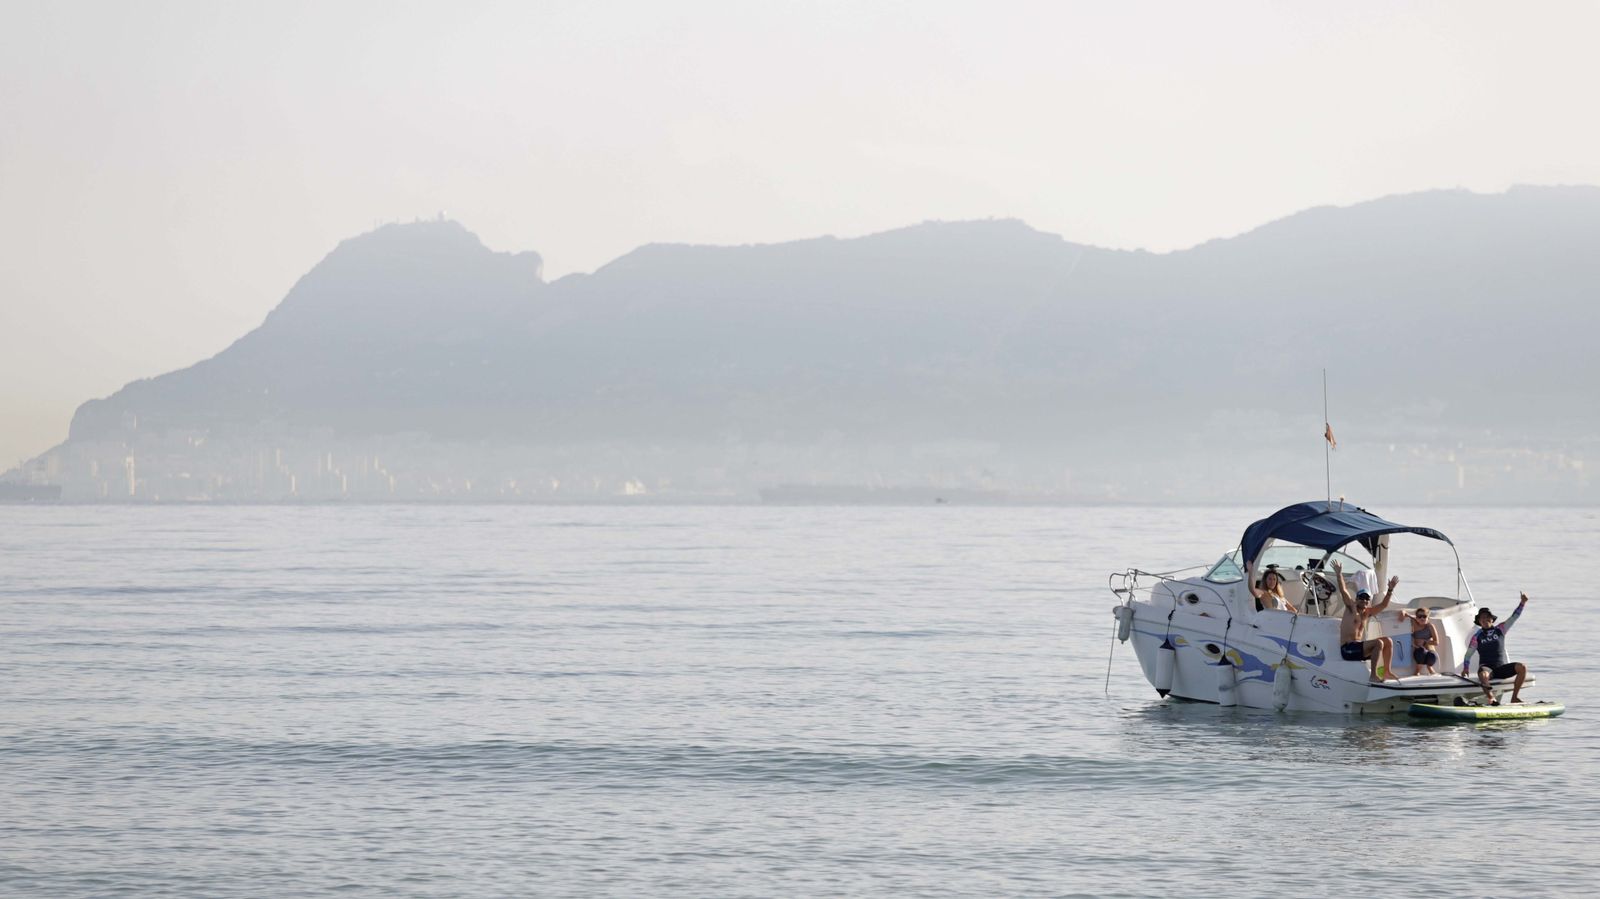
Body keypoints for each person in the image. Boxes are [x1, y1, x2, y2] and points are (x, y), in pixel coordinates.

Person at [1460, 594, 1532, 704]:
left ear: (1492, 619)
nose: (1484, 619)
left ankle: (1514, 697)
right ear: (1479, 621)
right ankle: (1491, 698)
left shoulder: (1501, 629)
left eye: (1487, 617)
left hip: (1501, 668)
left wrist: (1522, 603)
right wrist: (1466, 668)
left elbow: (1514, 617)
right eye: (1482, 618)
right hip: (1487, 669)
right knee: (1484, 675)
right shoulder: (1477, 637)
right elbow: (1468, 654)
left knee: (1522, 667)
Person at [1334, 559, 1399, 681]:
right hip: (1347, 649)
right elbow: (1343, 590)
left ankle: (1387, 672)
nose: (1364, 601)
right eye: (1361, 598)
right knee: (1378, 643)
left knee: (1388, 641)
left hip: (1358, 647)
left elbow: (1383, 605)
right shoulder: (1351, 607)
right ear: (1357, 599)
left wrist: (1390, 590)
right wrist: (1339, 574)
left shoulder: (1367, 612)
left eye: (1366, 599)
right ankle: (1373, 676)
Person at [1399, 607, 1439, 675]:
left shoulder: (1430, 626)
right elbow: (1404, 612)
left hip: (1429, 649)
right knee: (1421, 652)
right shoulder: (1414, 623)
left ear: (1428, 618)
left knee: (1432, 655)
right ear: (1416, 618)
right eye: (1419, 616)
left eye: (1424, 616)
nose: (1422, 618)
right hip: (1419, 650)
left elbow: (1436, 642)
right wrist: (1403, 614)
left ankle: (1429, 667)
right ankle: (1417, 670)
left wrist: (1425, 641)